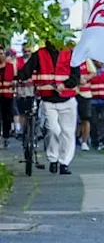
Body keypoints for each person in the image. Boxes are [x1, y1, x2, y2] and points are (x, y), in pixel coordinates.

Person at [16, 37, 81, 174]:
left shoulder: (71, 53)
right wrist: (19, 76)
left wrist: (65, 85)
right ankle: (53, 158)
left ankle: (64, 163)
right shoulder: (39, 54)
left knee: (68, 132)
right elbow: (26, 72)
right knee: (53, 130)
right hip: (48, 99)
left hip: (67, 98)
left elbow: (76, 76)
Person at [0, 49, 15, 147]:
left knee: (7, 118)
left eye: (1, 54)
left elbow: (14, 79)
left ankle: (6, 137)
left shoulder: (10, 66)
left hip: (7, 96)